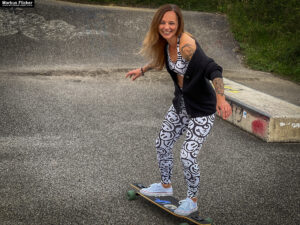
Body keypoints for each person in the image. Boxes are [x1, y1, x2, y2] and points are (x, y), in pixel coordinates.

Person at [125, 4, 232, 216]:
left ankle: (192, 200)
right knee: (162, 143)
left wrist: (221, 97)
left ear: (179, 24)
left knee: (187, 155)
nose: (166, 27)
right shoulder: (166, 44)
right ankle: (166, 186)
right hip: (181, 105)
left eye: (171, 23)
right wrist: (142, 70)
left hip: (202, 110)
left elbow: (213, 68)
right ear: (157, 24)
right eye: (163, 23)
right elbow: (162, 61)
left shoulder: (187, 46)